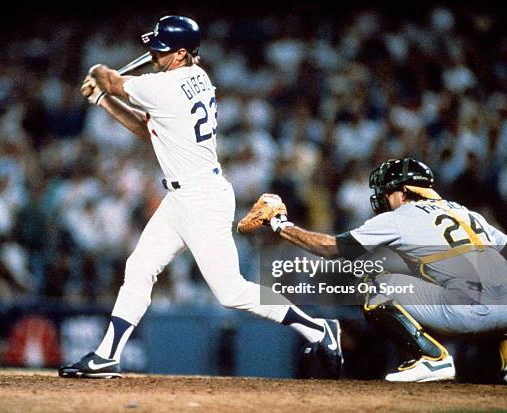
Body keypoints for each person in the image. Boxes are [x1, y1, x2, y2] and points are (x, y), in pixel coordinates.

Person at [58, 15, 343, 379]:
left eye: (161, 49)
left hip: (202, 198)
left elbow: (112, 79)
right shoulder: (197, 78)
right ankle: (106, 355)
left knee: (231, 291)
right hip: (182, 197)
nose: (153, 53)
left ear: (180, 54)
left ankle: (318, 328)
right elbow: (150, 131)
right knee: (139, 268)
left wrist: (99, 73)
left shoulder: (164, 87)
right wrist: (103, 99)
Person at [240, 158, 507, 383]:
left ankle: (433, 358)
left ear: (403, 191)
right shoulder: (466, 213)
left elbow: (331, 247)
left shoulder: (401, 217)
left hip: (469, 312)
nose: (382, 196)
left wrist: (280, 225)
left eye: (387, 190)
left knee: (374, 285)